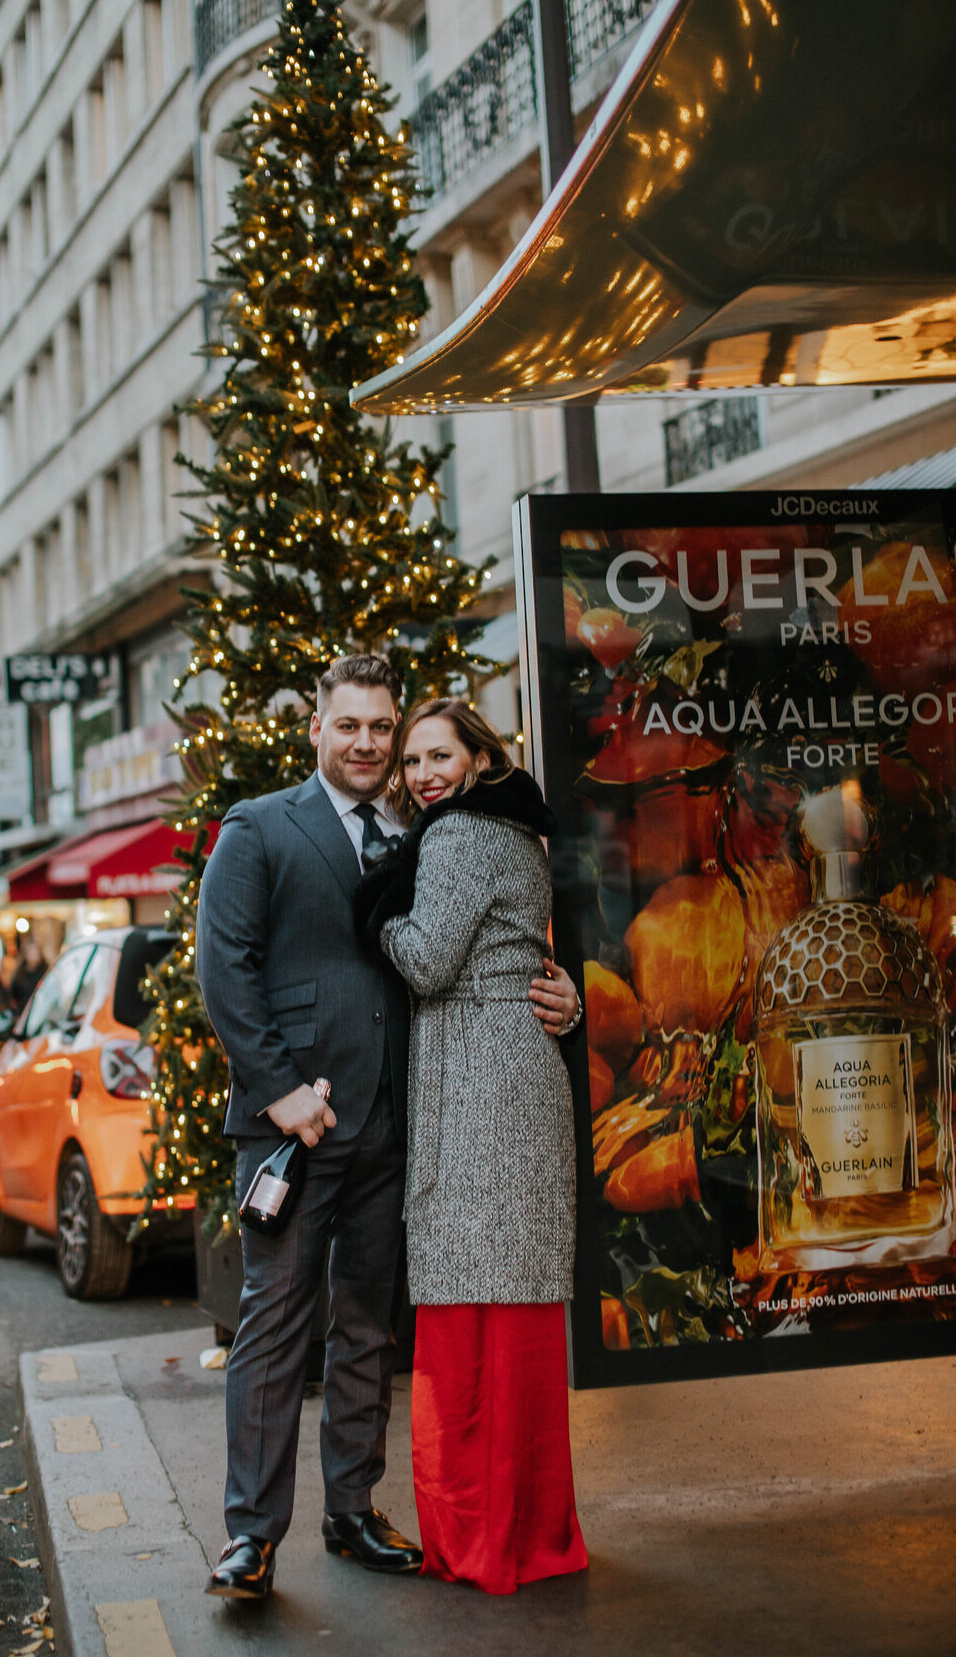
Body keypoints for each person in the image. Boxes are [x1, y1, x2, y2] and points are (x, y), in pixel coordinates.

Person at [194, 654, 578, 1600]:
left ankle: (352, 1511)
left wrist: (558, 992)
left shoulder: (431, 825)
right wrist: (278, 1088)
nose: (368, 745)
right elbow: (223, 966)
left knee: (367, 1328)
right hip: (296, 1128)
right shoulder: (260, 827)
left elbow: (488, 945)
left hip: (401, 1125)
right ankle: (251, 1533)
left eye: (382, 730)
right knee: (275, 1326)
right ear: (317, 729)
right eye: (351, 727)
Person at [354, 697, 587, 1596]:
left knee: (466, 1331)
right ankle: (535, 1533)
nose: (422, 776)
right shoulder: (516, 833)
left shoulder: (453, 837)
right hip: (520, 1081)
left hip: (478, 1092)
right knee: (516, 1319)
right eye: (411, 762)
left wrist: (376, 910)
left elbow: (424, 960)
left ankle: (479, 1541)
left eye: (438, 756)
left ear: (481, 758)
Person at [8, 938, 46, 1013]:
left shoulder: (45, 972)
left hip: (41, 1012)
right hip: (24, 1013)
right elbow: (13, 996)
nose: (35, 955)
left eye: (37, 953)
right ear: (26, 955)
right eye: (32, 953)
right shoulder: (19, 975)